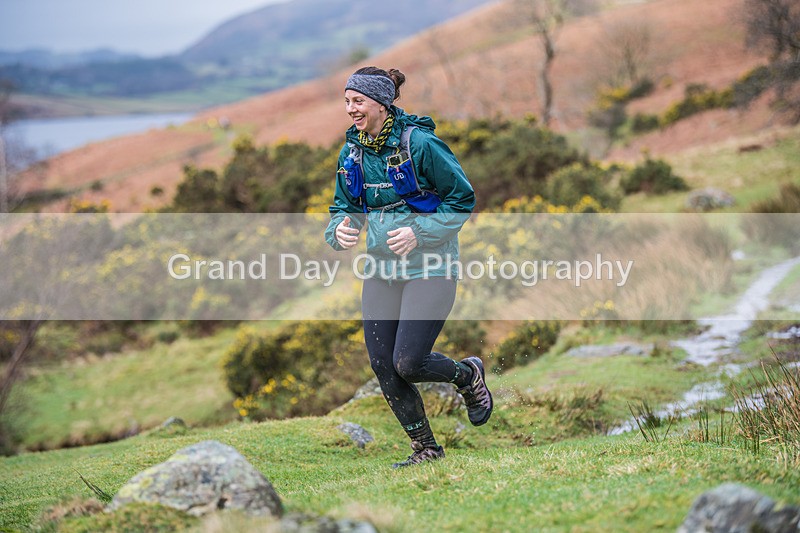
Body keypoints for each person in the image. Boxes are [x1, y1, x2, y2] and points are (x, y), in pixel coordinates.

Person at [325, 66, 493, 468]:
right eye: (347, 101)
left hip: (431, 267)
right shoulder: (352, 152)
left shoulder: (420, 144)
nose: (350, 109)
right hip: (382, 271)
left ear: (381, 104)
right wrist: (340, 229)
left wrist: (419, 231)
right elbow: (343, 207)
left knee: (409, 362)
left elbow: (461, 199)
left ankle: (467, 375)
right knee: (384, 366)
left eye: (358, 101)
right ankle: (427, 450)